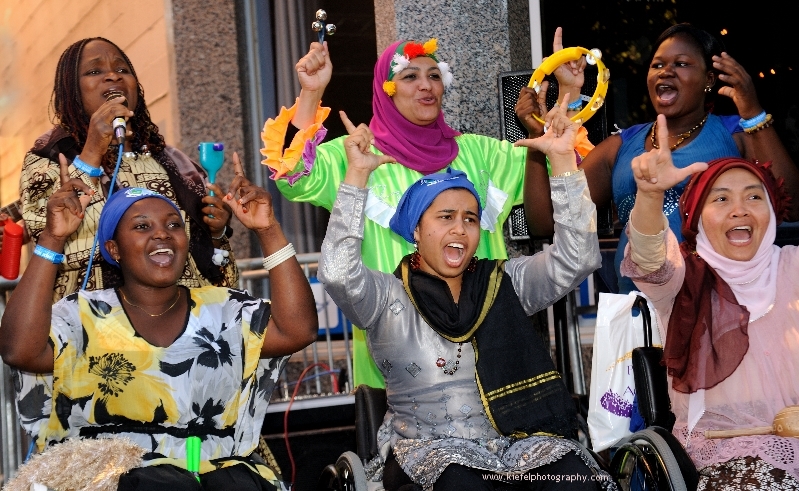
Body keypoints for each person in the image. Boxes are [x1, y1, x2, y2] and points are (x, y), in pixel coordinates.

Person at [261, 35, 588, 389]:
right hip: (398, 361)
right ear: (387, 90)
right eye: (410, 76)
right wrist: (311, 93)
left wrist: (567, 97)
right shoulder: (356, 154)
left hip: (487, 355)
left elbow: (566, 164)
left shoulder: (481, 155)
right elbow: (292, 176)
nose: (425, 85)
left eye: (434, 76)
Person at [318, 104, 613, 490]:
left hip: (516, 445)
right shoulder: (384, 295)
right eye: (445, 217)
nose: (460, 229)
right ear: (416, 232)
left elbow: (578, 258)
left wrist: (561, 161)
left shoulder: (503, 283)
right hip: (428, 452)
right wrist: (356, 177)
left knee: (573, 478)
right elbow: (338, 272)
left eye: (470, 219)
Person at [0, 156, 318, 490]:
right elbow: (19, 350)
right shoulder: (82, 316)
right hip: (112, 473)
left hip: (216, 472)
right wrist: (51, 238)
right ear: (114, 249)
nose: (162, 235)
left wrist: (268, 230)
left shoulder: (224, 309)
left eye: (173, 225)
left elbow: (299, 330)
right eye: (142, 226)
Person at [16, 36, 240, 443]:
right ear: (72, 87)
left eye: (122, 67)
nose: (113, 75)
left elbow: (207, 259)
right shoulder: (51, 157)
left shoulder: (172, 160)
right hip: (97, 343)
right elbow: (43, 227)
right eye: (95, 70)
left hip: (178, 338)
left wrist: (219, 231)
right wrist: (91, 151)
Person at [520, 23, 799, 294]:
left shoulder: (735, 135)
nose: (666, 72)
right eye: (657, 65)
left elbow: (792, 206)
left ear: (709, 79)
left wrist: (753, 112)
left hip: (721, 307)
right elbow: (544, 222)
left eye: (681, 64)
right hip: (639, 313)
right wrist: (537, 143)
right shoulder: (621, 146)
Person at [621, 115, 799, 489]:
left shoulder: (793, 266)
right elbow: (649, 259)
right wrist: (650, 195)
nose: (740, 209)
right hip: (727, 456)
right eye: (721, 199)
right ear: (697, 218)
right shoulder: (683, 278)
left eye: (754, 196)